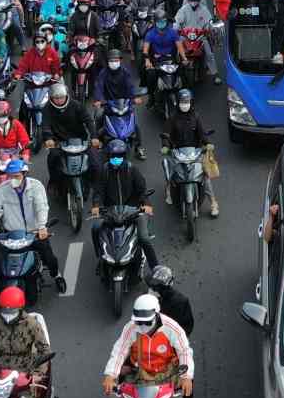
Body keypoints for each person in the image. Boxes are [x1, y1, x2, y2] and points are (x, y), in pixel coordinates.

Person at [102, 293, 195, 398]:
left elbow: (185, 351)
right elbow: (119, 350)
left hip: (167, 377)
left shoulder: (171, 327)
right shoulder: (131, 328)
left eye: (146, 322)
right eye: (138, 322)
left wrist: (186, 377)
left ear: (156, 315)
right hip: (138, 375)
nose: (142, 326)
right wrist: (110, 375)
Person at [0, 159, 66, 295]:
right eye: (10, 176)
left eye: (16, 176)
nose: (13, 179)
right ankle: (0, 285)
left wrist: (42, 226)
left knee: (49, 257)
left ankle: (56, 275)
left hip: (34, 233)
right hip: (12, 235)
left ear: (24, 174)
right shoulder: (2, 189)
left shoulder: (36, 186)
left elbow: (41, 207)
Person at [146, 266, 203, 398]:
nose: (152, 290)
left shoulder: (181, 302)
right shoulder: (148, 300)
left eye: (156, 287)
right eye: (151, 286)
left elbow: (187, 327)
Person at [91, 140, 159, 270]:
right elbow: (98, 191)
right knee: (95, 228)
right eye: (113, 156)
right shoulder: (103, 171)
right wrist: (96, 205)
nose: (116, 159)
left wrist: (146, 204)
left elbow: (142, 190)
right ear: (109, 156)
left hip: (133, 211)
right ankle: (100, 256)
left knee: (144, 238)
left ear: (124, 156)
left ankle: (155, 268)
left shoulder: (132, 169)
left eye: (119, 156)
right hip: (110, 212)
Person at [162, 89, 218, 218]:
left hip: (194, 152)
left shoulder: (195, 117)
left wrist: (208, 143)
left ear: (191, 102)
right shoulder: (172, 118)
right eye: (182, 102)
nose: (185, 104)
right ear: (178, 103)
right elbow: (166, 134)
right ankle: (169, 189)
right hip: (177, 152)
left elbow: (202, 133)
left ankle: (213, 203)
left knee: (205, 176)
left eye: (187, 102)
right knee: (170, 170)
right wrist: (165, 146)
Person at [42, 82, 97, 188]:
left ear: (66, 96)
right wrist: (48, 138)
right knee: (52, 159)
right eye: (56, 98)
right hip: (59, 141)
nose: (59, 100)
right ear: (51, 98)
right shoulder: (47, 109)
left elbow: (88, 121)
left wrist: (94, 137)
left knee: (94, 163)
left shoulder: (76, 105)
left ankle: (93, 185)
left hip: (80, 139)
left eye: (61, 97)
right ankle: (54, 183)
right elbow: (45, 125)